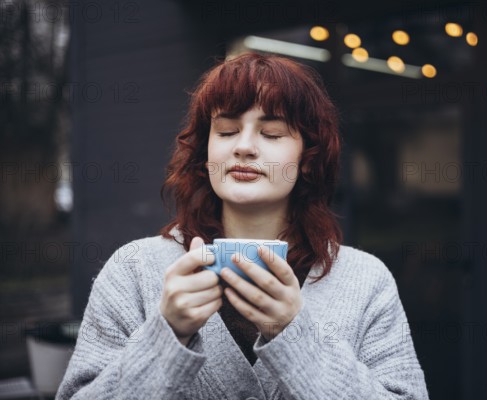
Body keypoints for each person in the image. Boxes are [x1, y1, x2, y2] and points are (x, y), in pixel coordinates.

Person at [57, 52, 428, 399]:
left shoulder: (364, 281)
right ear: (205, 152)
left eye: (271, 134)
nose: (245, 147)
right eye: (227, 130)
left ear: (309, 157)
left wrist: (296, 339)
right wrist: (166, 334)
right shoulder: (134, 270)